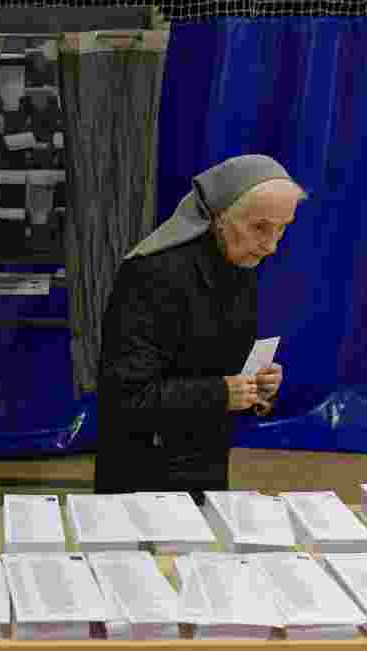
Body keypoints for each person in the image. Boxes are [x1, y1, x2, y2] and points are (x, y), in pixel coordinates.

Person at [96, 154, 307, 504]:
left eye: (283, 228)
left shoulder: (240, 265)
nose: (271, 246)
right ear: (220, 217)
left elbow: (216, 366)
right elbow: (125, 398)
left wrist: (257, 386)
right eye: (260, 227)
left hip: (205, 462)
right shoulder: (151, 275)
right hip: (143, 473)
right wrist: (222, 393)